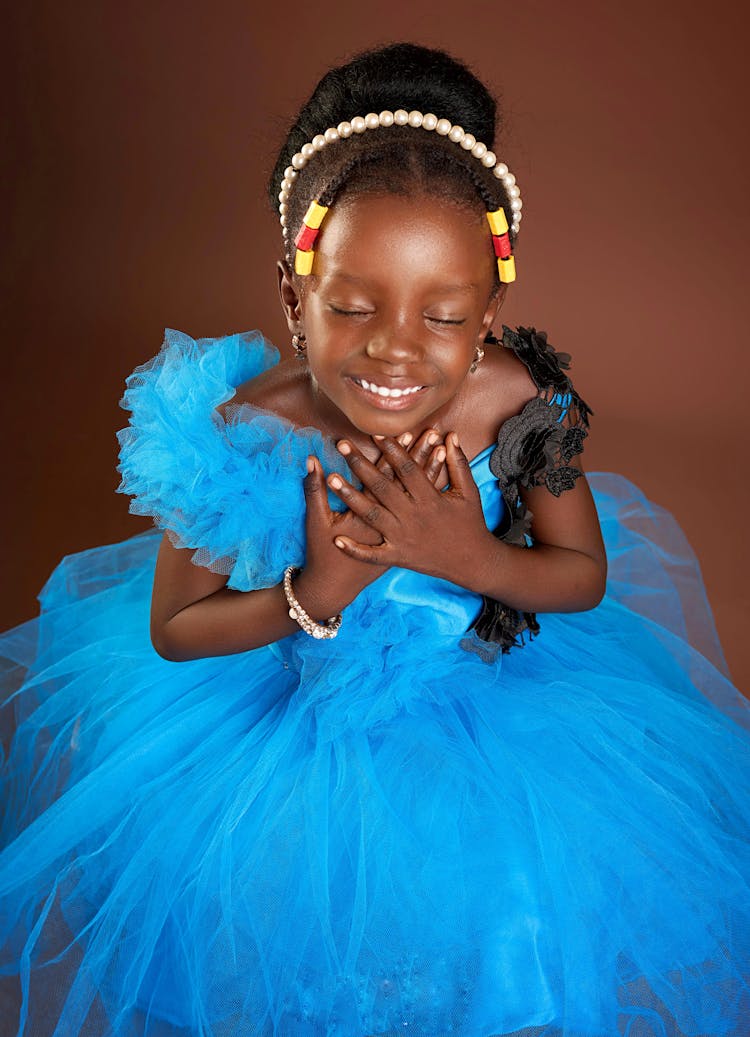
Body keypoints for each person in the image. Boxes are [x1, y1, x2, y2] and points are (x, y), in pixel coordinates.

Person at [1, 41, 748, 1037]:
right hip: (286, 747)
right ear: (291, 293)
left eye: (444, 314)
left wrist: (467, 555)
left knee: (477, 945)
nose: (397, 345)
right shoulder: (240, 424)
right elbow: (177, 627)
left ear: (493, 309)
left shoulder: (525, 406)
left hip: (488, 726)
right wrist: (312, 592)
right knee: (293, 963)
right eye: (353, 307)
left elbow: (581, 577)